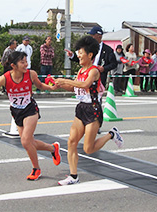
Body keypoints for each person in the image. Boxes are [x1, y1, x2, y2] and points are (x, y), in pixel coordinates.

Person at [0, 51, 61, 181]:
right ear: (13, 65)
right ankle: (52, 148)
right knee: (29, 143)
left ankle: (36, 169)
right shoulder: (4, 78)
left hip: (30, 109)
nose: (25, 64)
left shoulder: (30, 74)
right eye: (22, 62)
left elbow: (40, 85)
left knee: (26, 140)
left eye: (26, 61)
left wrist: (52, 88)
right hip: (16, 112)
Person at [55, 36, 124, 185]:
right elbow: (74, 87)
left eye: (80, 53)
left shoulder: (94, 71)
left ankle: (112, 134)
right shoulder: (80, 70)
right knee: (71, 142)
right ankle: (73, 176)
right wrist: (59, 84)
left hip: (93, 110)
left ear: (90, 55)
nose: (78, 56)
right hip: (81, 109)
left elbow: (85, 85)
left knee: (88, 148)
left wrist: (65, 80)